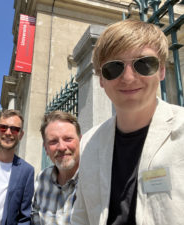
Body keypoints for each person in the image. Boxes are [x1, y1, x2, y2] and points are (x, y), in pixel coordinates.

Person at [71, 19, 184, 225]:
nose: (129, 77)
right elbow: (82, 216)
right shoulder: (88, 143)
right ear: (101, 79)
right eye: (114, 68)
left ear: (161, 71)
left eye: (144, 64)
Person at [31, 111, 81, 224]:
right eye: (53, 141)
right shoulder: (41, 180)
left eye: (68, 139)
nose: (62, 147)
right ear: (46, 149)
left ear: (80, 140)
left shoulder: (96, 181)